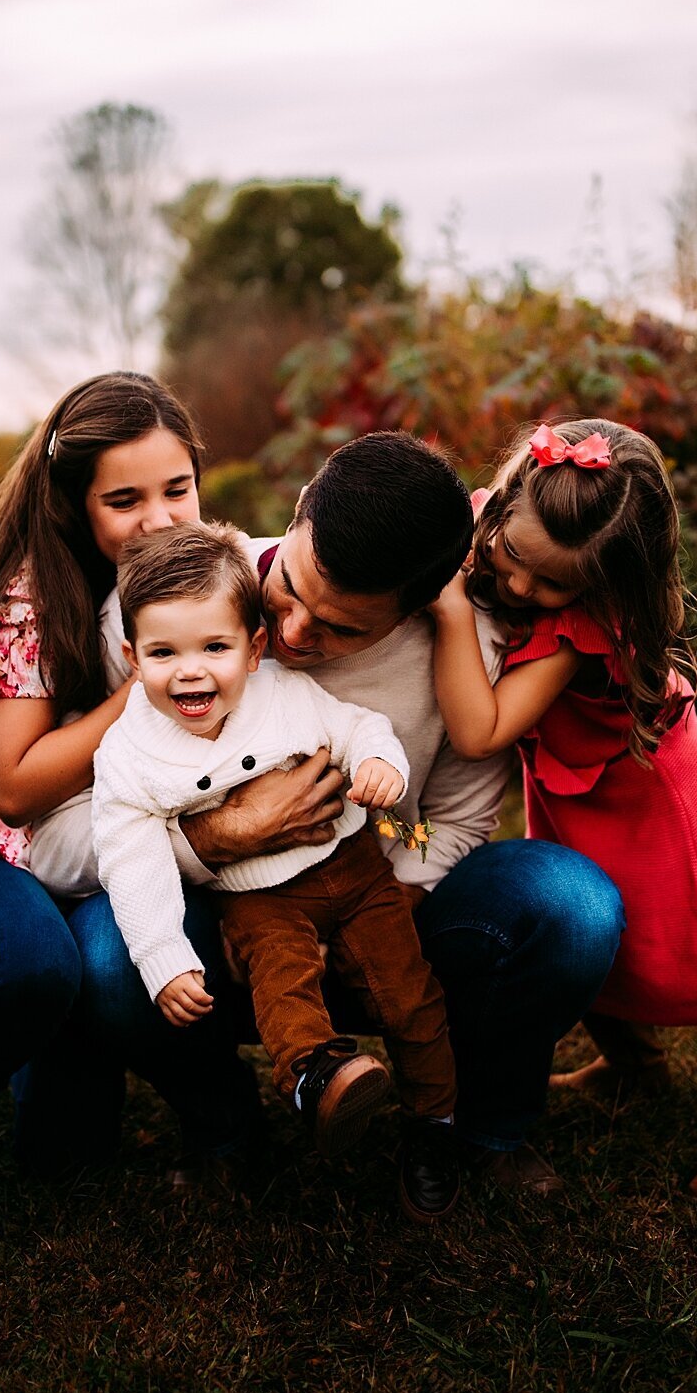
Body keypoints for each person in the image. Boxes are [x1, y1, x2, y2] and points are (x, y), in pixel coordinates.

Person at [31, 429, 626, 1192]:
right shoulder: (179, 607)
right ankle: (225, 1131)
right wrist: (221, 837)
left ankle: (478, 1131)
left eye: (345, 627)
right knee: (110, 953)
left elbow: (453, 822)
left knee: (572, 906)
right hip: (229, 924)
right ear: (302, 508)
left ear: (418, 605)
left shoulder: (464, 647)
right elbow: (56, 841)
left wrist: (380, 904)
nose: (293, 633)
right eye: (295, 591)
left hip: (382, 891)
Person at [0, 372, 260, 1252]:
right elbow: (19, 788)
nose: (160, 518)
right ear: (76, 506)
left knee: (68, 1150)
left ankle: (200, 1097)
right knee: (35, 972)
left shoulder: (203, 571)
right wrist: (144, 692)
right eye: (125, 500)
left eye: (177, 488)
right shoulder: (35, 594)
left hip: (104, 844)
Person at [428, 418, 697, 1202]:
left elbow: (479, 730)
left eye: (550, 582)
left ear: (607, 581)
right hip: (569, 777)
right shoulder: (499, 522)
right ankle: (634, 1066)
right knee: (597, 926)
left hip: (651, 783)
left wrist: (454, 611)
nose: (520, 586)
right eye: (512, 558)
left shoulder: (578, 624)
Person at [79, 520, 459, 1223]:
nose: (190, 671)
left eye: (214, 648)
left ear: (254, 649)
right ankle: (320, 1079)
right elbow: (130, 858)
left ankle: (434, 1120)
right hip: (257, 900)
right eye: (164, 652)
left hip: (356, 871)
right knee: (281, 988)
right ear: (132, 657)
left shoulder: (286, 693)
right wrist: (163, 955)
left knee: (407, 992)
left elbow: (358, 727)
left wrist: (381, 765)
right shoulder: (127, 753)